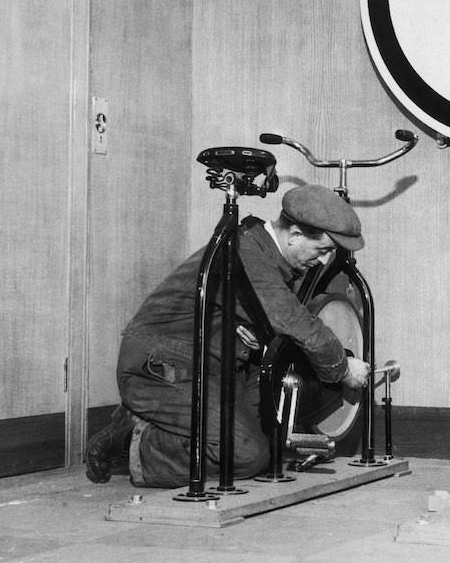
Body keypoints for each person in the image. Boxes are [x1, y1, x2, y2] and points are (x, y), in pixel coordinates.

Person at [85, 184, 371, 487]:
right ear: (295, 235)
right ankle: (131, 441)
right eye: (322, 250)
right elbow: (298, 323)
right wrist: (343, 369)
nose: (324, 260)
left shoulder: (263, 252)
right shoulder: (248, 254)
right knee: (247, 456)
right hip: (160, 367)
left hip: (205, 365)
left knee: (268, 439)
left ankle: (143, 422)